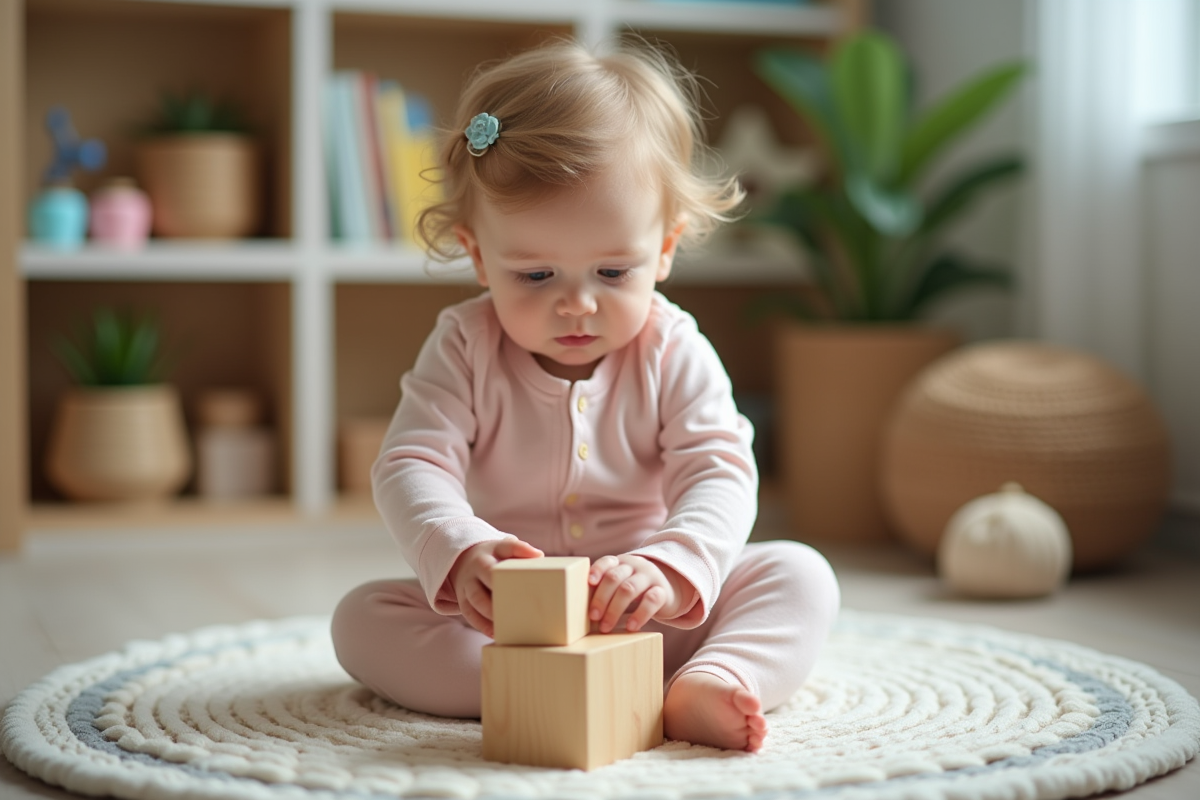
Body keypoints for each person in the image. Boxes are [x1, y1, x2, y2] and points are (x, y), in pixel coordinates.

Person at [331, 38, 840, 754]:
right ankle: (535, 689)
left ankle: (716, 676)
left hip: (654, 615)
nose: (577, 305)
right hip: (510, 625)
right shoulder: (464, 344)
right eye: (536, 276)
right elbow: (410, 463)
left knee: (799, 575)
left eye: (611, 271)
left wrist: (669, 566)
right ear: (478, 255)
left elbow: (719, 470)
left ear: (664, 249)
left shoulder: (673, 348)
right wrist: (461, 550)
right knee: (362, 618)